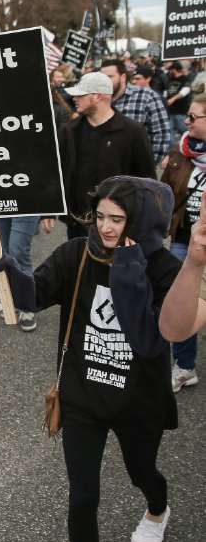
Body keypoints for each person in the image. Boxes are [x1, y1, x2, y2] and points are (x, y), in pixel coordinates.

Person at [0, 177, 180, 542]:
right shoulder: (78, 251)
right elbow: (35, 295)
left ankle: (158, 508)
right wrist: (6, 271)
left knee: (141, 472)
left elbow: (148, 340)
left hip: (137, 400)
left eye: (119, 220)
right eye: (101, 217)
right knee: (83, 496)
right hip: (82, 395)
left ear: (142, 223)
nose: (106, 228)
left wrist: (127, 271)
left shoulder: (165, 269)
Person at [42, 72, 156, 241]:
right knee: (80, 266)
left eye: (81, 95)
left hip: (117, 223)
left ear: (98, 97)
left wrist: (143, 222)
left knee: (112, 267)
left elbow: (147, 179)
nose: (75, 99)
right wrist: (49, 209)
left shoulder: (132, 131)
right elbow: (55, 171)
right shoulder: (69, 131)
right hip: (78, 221)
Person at [159, 93, 206, 391]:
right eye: (187, 116)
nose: (186, 122)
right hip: (184, 239)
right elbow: (163, 191)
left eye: (193, 117)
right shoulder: (182, 149)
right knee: (184, 304)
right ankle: (185, 366)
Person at [101, 59, 172, 164]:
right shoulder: (100, 98)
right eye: (102, 78)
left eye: (110, 77)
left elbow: (161, 133)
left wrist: (148, 166)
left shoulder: (146, 96)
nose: (105, 81)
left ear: (123, 77)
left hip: (137, 167)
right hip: (108, 166)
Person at [165, 61, 193, 139]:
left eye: (170, 70)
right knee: (169, 131)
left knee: (183, 130)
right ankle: (172, 150)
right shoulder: (170, 80)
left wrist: (173, 99)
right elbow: (166, 92)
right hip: (170, 110)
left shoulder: (185, 79)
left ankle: (187, 146)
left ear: (174, 70)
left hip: (180, 110)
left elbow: (185, 91)